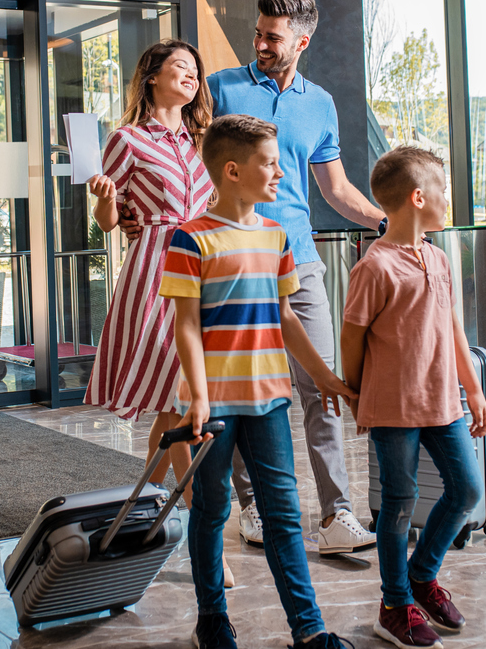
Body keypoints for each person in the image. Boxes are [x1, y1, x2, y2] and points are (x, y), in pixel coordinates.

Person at [161, 114, 357, 649]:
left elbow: (286, 316)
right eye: (269, 164)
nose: (279, 174)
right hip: (215, 405)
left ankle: (310, 630)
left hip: (270, 400)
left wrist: (324, 379)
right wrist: (198, 398)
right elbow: (186, 324)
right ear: (231, 171)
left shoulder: (276, 236)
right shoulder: (190, 239)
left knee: (283, 516)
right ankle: (212, 620)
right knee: (211, 509)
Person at [210, 0, 385, 554]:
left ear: (302, 42)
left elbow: (334, 189)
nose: (259, 44)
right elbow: (193, 165)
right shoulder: (222, 89)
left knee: (324, 385)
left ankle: (337, 513)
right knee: (244, 387)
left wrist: (388, 220)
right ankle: (253, 505)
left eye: (273, 37)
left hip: (300, 260)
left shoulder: (320, 103)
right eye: (258, 33)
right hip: (234, 256)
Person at [82, 39, 239, 586]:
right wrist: (104, 198)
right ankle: (205, 543)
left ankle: (151, 522)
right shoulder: (126, 140)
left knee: (172, 413)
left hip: (207, 269)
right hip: (156, 273)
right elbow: (107, 220)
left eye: (196, 70)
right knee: (181, 408)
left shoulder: (203, 140)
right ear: (151, 76)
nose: (192, 77)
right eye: (180, 68)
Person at [340, 146, 486, 649]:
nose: (448, 200)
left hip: (443, 401)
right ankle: (394, 602)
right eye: (443, 191)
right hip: (393, 407)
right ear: (419, 197)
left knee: (466, 489)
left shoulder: (439, 258)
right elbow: (352, 339)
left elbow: (453, 329)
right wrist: (359, 395)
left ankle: (421, 577)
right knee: (399, 506)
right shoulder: (374, 267)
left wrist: (472, 389)